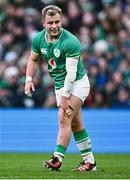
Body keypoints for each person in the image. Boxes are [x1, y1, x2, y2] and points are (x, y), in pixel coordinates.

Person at [24, 5, 96, 172]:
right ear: (43, 23)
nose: (54, 26)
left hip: (77, 83)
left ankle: (57, 158)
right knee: (76, 124)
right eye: (50, 23)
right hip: (60, 86)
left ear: (61, 20)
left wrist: (64, 98)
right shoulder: (38, 39)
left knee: (63, 116)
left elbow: (71, 74)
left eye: (57, 21)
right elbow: (33, 59)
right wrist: (29, 79)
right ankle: (90, 162)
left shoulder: (71, 41)